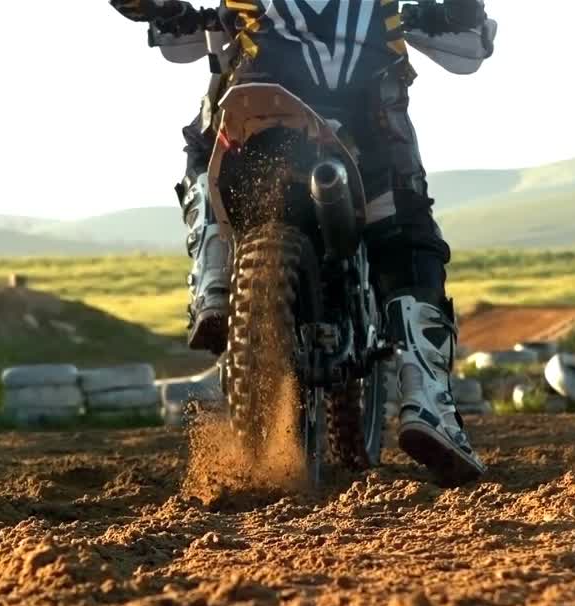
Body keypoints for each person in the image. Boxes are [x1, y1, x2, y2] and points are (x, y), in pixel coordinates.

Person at [110, 0, 497, 485]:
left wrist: (165, 12)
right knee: (407, 236)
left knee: (204, 159)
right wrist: (456, 14)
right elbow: (469, 46)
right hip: (367, 119)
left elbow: (176, 37)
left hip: (261, 109)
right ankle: (427, 402)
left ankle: (213, 282)